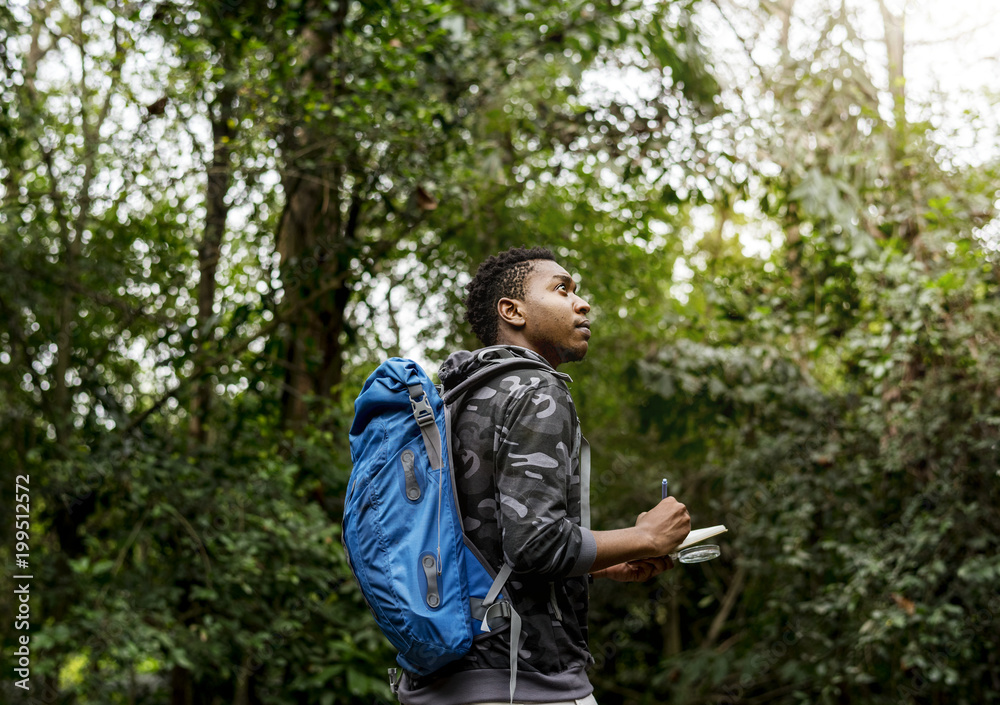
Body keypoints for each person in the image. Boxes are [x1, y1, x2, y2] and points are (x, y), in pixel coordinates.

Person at [396, 246, 691, 705]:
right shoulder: (537, 388)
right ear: (513, 311)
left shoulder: (451, 402)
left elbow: (485, 545)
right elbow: (535, 543)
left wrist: (603, 562)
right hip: (525, 683)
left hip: (440, 680)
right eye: (562, 288)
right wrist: (646, 537)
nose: (582, 302)